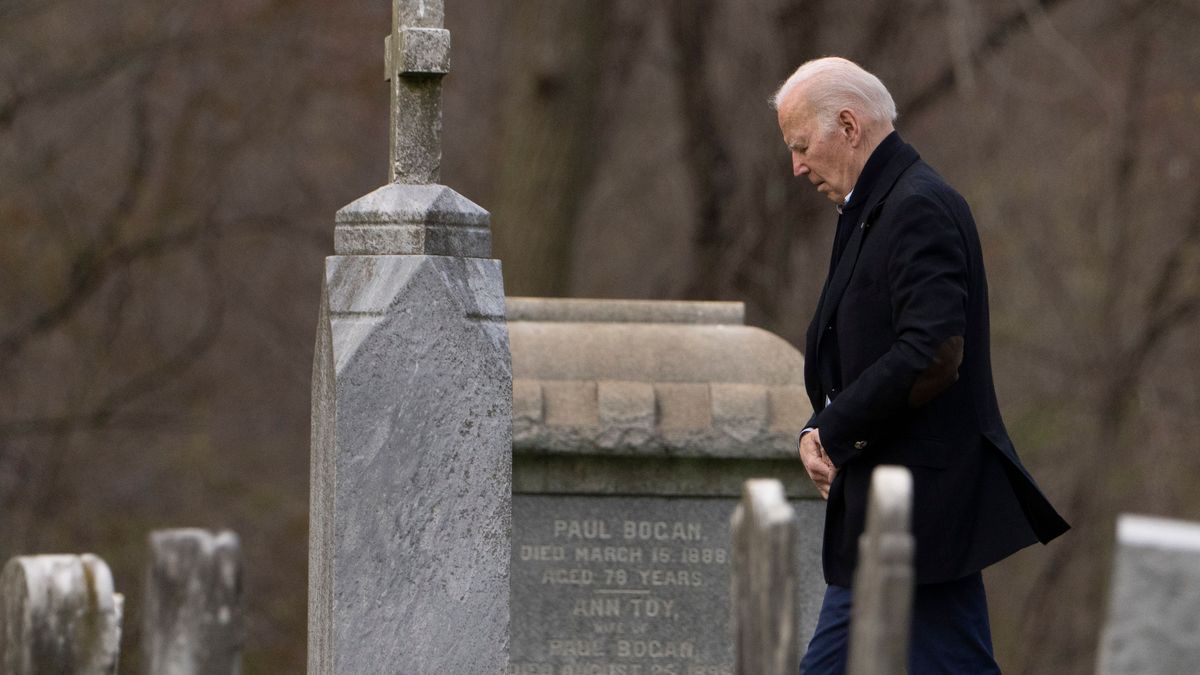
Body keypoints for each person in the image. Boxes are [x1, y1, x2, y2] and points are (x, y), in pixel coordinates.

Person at [772, 57, 1069, 673]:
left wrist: (832, 428)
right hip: (895, 511)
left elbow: (932, 351)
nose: (796, 166)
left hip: (917, 512)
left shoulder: (916, 206)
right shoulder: (874, 208)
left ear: (849, 127)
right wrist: (817, 424)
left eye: (802, 146)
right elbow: (862, 356)